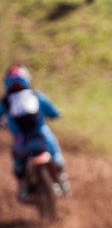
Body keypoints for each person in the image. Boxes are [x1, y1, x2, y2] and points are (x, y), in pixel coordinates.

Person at [0, 65, 69, 202]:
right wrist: (57, 114)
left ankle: (24, 187)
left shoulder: (5, 101)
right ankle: (61, 180)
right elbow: (51, 110)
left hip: (22, 140)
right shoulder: (35, 95)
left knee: (18, 164)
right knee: (56, 154)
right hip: (41, 135)